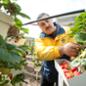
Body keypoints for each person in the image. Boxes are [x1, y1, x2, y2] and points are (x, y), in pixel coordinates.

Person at [35, 13, 80, 86]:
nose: (46, 25)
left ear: (52, 19)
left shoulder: (67, 32)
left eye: (47, 21)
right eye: (42, 24)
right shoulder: (39, 39)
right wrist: (62, 49)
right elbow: (40, 53)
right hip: (47, 73)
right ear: (40, 27)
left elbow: (76, 47)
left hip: (64, 73)